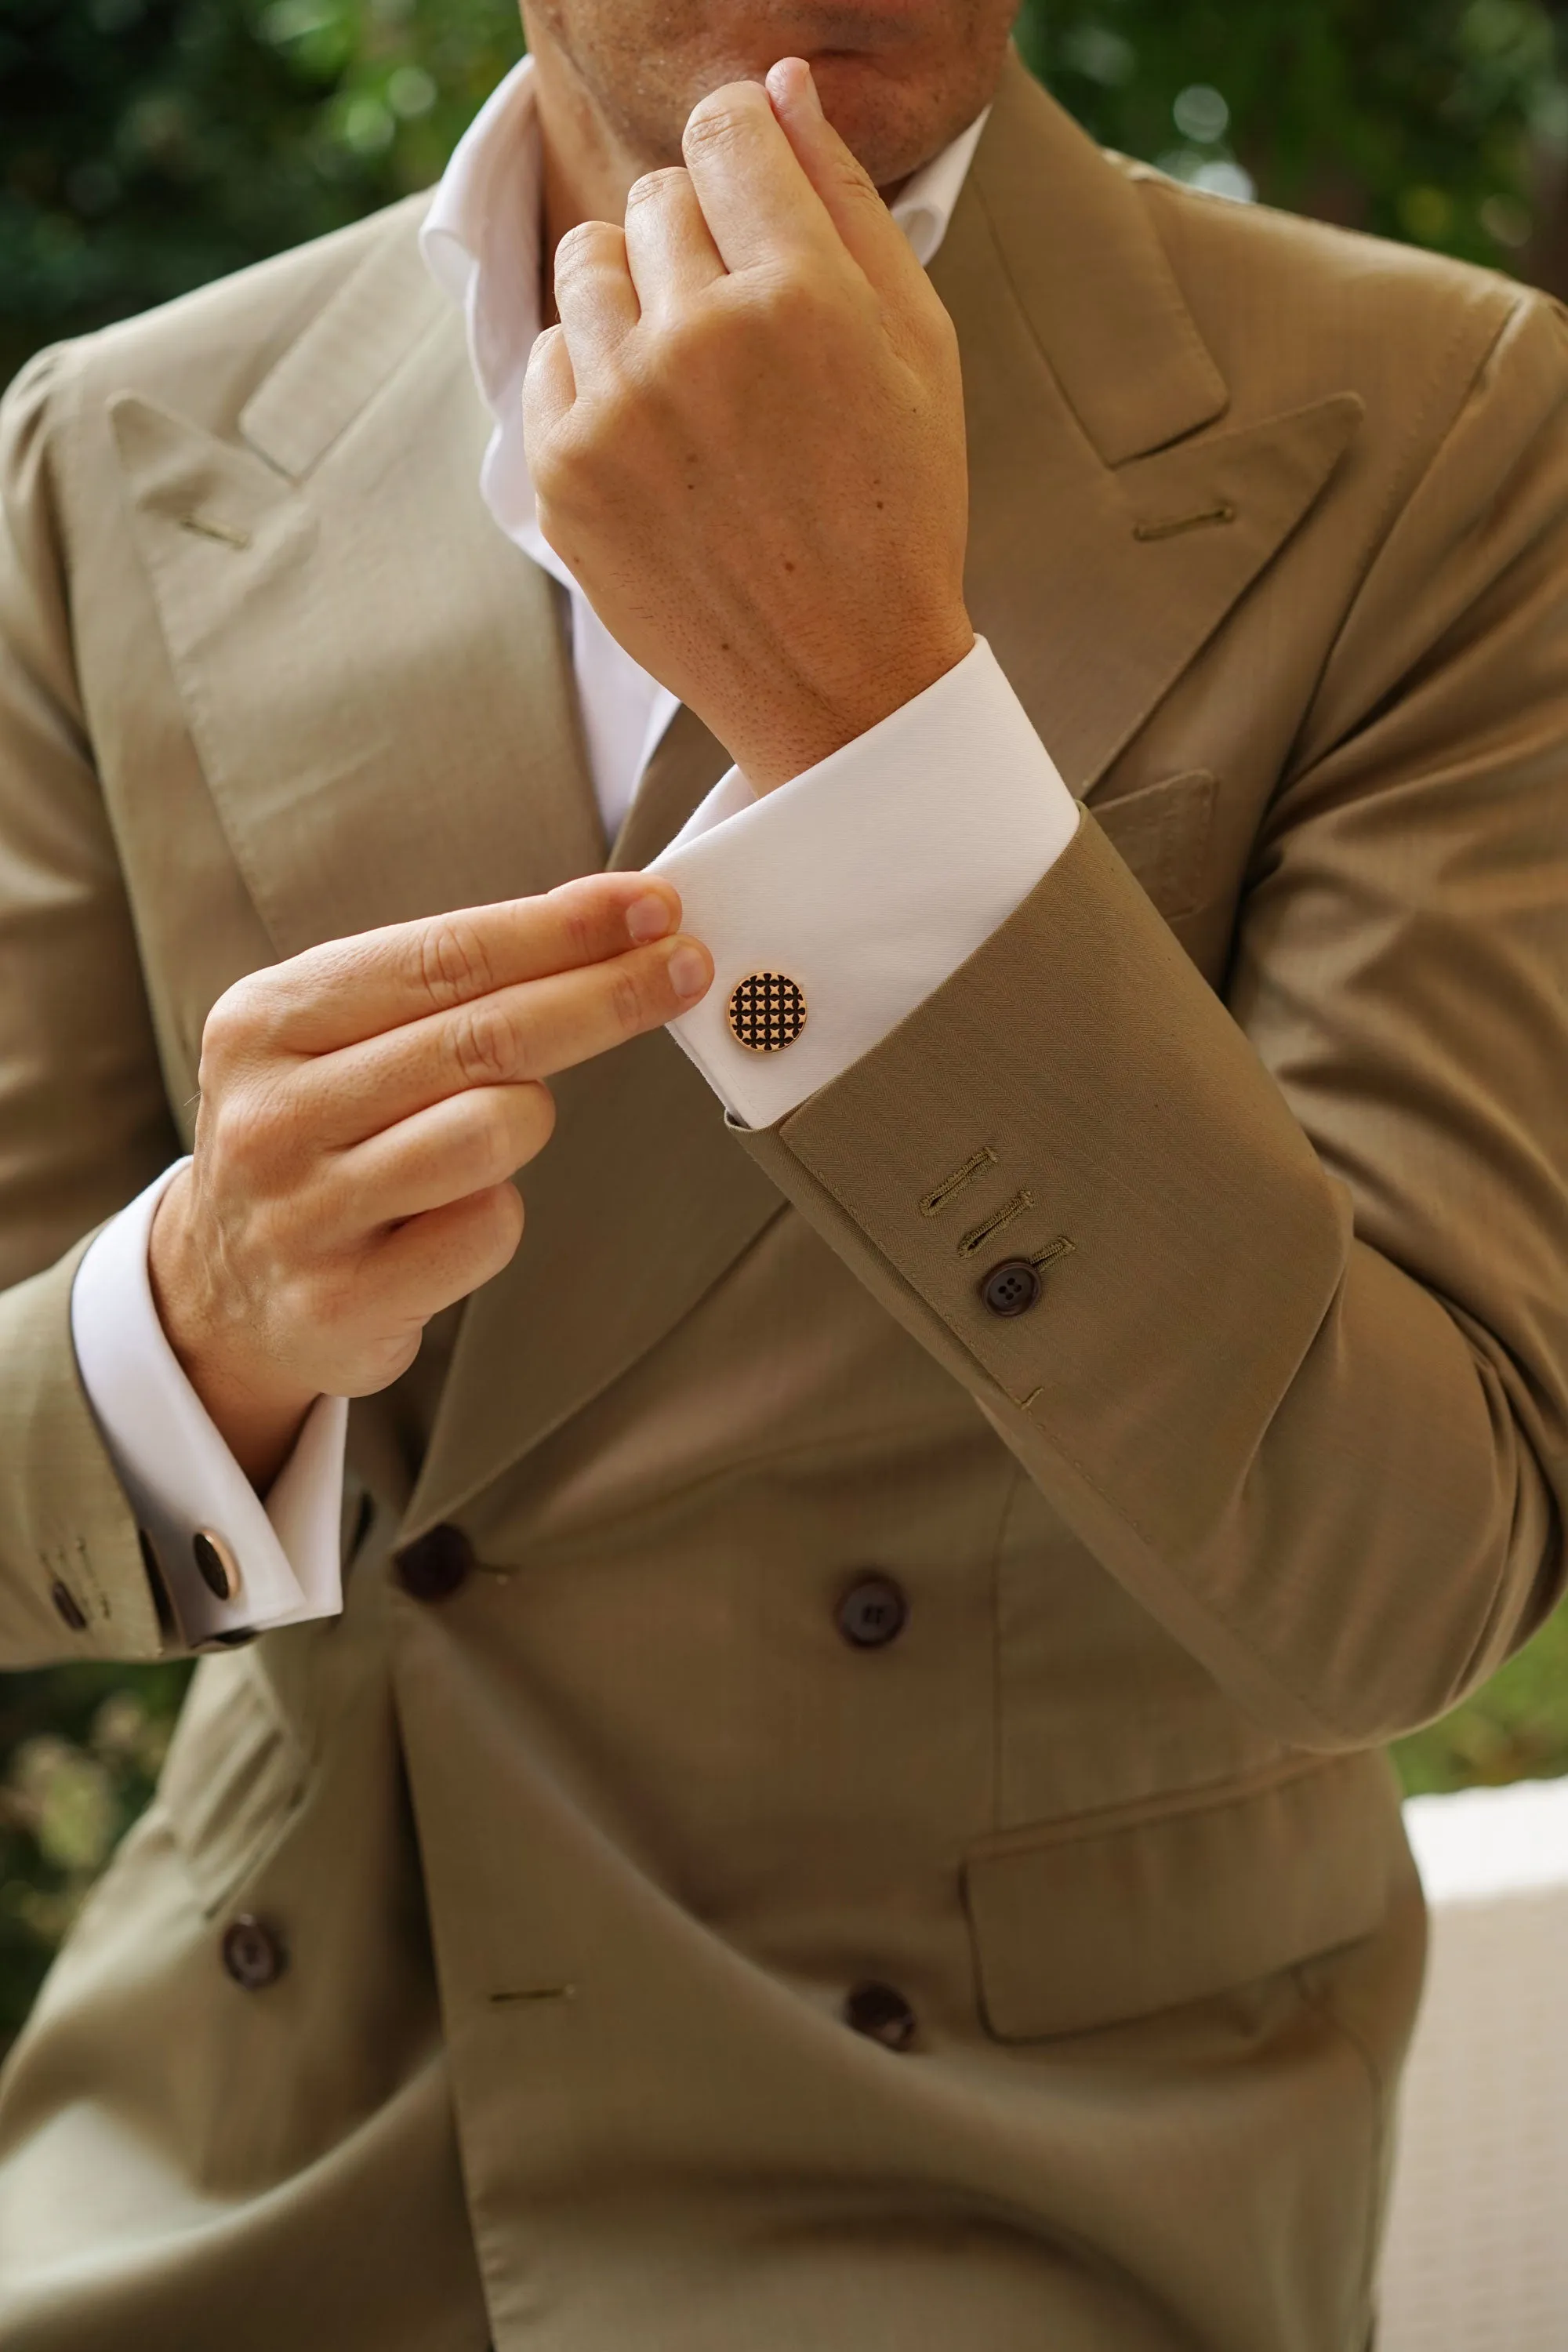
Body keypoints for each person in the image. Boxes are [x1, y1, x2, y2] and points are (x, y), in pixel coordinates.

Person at [0, 0, 1563, 2343]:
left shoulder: (1440, 428)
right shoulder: (112, 445)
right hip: (252, 2124)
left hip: (1017, 2187)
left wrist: (874, 723)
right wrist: (192, 1320)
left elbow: (1413, 1577)